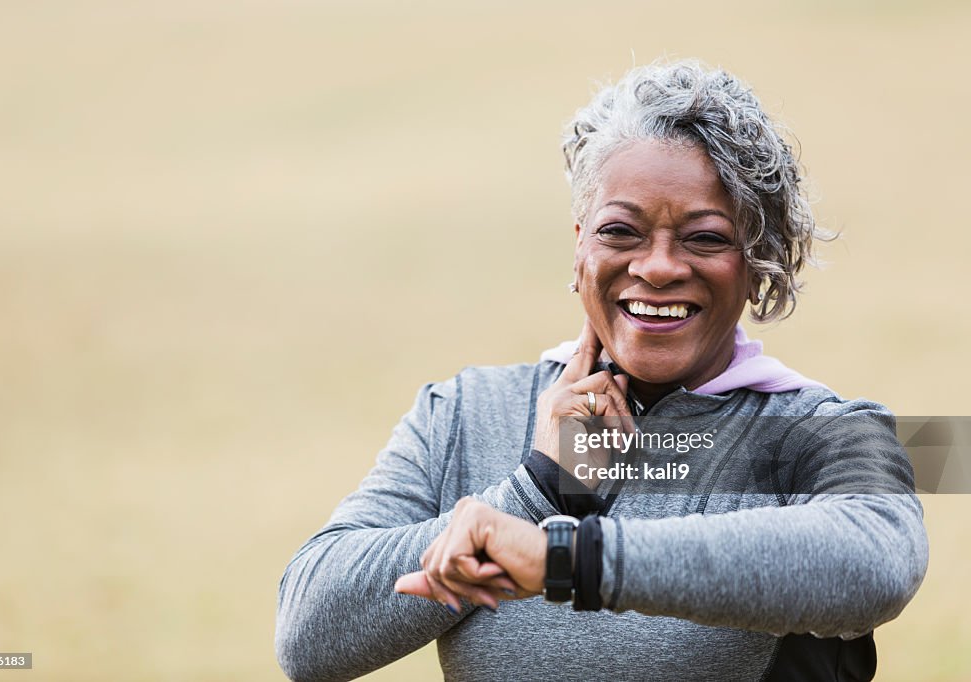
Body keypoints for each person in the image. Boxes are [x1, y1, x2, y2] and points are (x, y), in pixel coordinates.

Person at [274, 60, 928, 681]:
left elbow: (877, 563)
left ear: (756, 261)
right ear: (581, 242)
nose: (659, 267)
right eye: (622, 231)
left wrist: (568, 559)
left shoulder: (829, 430)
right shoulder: (467, 412)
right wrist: (537, 491)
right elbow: (308, 634)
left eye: (705, 237)